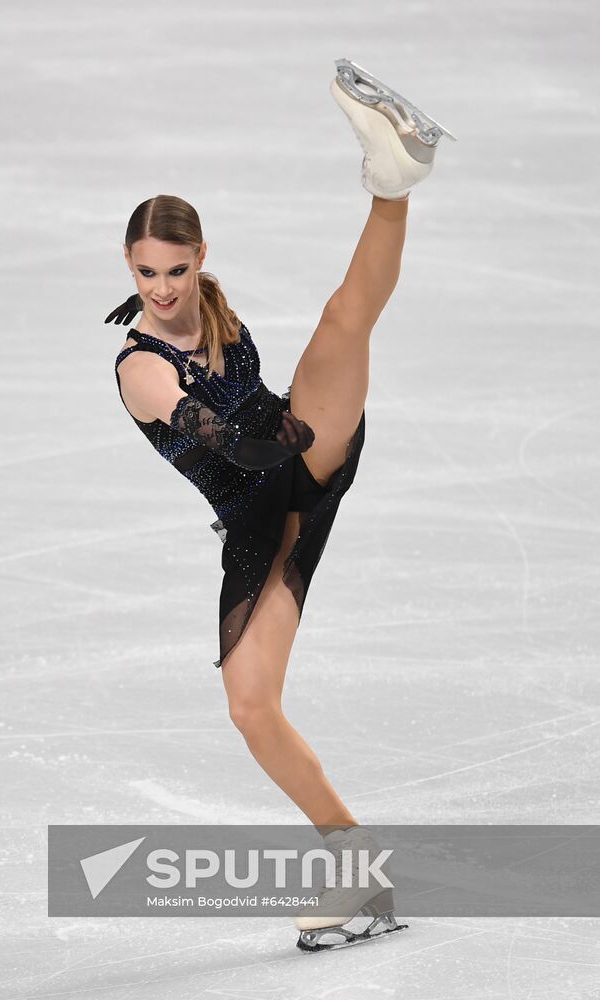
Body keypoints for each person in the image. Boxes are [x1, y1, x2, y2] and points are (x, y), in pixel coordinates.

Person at [108, 57, 456, 951]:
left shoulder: (210, 308)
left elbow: (271, 419)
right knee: (250, 706)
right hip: (266, 512)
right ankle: (355, 862)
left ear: (199, 258)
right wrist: (272, 444)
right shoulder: (141, 365)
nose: (161, 288)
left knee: (345, 319)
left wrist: (297, 437)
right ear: (128, 263)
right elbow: (221, 438)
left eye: (175, 269)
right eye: (147, 271)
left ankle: (394, 177)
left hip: (308, 450)